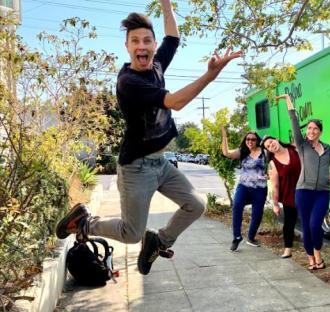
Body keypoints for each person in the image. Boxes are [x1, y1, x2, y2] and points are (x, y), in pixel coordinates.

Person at [55, 0, 242, 276]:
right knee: (130, 234)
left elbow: (173, 38)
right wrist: (210, 76)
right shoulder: (129, 82)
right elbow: (174, 102)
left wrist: (166, 3)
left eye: (147, 41)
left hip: (160, 163)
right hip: (135, 168)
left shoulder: (156, 65)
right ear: (127, 47)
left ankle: (158, 241)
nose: (142, 46)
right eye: (135, 41)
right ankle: (85, 222)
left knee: (196, 204)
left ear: (153, 45)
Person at [275, 94, 330, 270]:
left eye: (314, 129)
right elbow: (294, 121)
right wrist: (288, 99)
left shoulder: (327, 148)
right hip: (303, 192)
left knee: (314, 225)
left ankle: (317, 255)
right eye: (309, 128)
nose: (310, 131)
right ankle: (313, 259)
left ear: (320, 131)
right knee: (306, 226)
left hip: (322, 193)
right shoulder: (302, 145)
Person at [221, 128, 268, 251]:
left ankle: (251, 237)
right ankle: (236, 237)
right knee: (237, 206)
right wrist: (224, 137)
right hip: (244, 186)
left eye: (253, 139)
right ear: (245, 140)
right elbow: (226, 153)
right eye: (248, 139)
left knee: (257, 214)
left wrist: (271, 174)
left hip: (259, 188)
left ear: (257, 140)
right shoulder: (243, 151)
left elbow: (275, 163)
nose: (250, 141)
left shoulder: (264, 152)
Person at [260, 135, 301, 259]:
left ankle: (315, 251)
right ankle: (288, 250)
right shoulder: (272, 163)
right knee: (289, 223)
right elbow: (275, 185)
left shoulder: (294, 149)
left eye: (271, 142)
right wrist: (275, 204)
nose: (271, 146)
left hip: (306, 191)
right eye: (268, 146)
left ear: (277, 139)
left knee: (311, 222)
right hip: (290, 196)